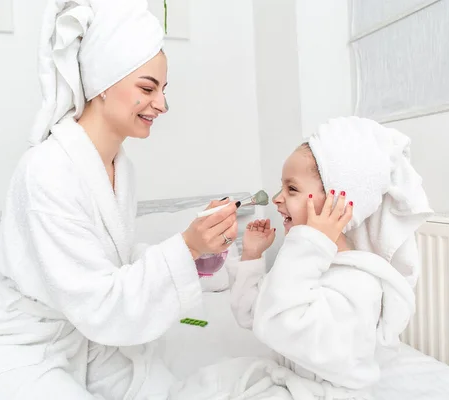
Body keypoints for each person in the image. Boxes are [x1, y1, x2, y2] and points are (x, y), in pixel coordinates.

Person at [0, 0, 239, 398]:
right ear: (102, 83)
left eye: (163, 90)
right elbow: (99, 299)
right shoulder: (48, 170)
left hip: (77, 334)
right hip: (8, 342)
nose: (162, 104)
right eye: (147, 88)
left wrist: (197, 252)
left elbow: (108, 265)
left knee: (163, 389)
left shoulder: (119, 167)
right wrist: (185, 247)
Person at [169, 116, 433, 399]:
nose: (276, 199)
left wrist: (308, 245)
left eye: (291, 189)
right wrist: (252, 255)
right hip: (292, 382)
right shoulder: (306, 262)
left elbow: (282, 323)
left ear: (336, 202)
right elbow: (252, 315)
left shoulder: (358, 282)